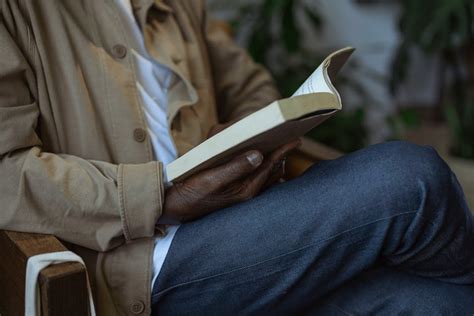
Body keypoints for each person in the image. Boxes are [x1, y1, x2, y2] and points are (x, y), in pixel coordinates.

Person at [0, 0, 472, 314]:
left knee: (436, 305)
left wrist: (247, 133)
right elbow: (7, 172)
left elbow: (251, 87)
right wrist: (160, 197)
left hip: (232, 225)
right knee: (410, 179)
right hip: (136, 260)